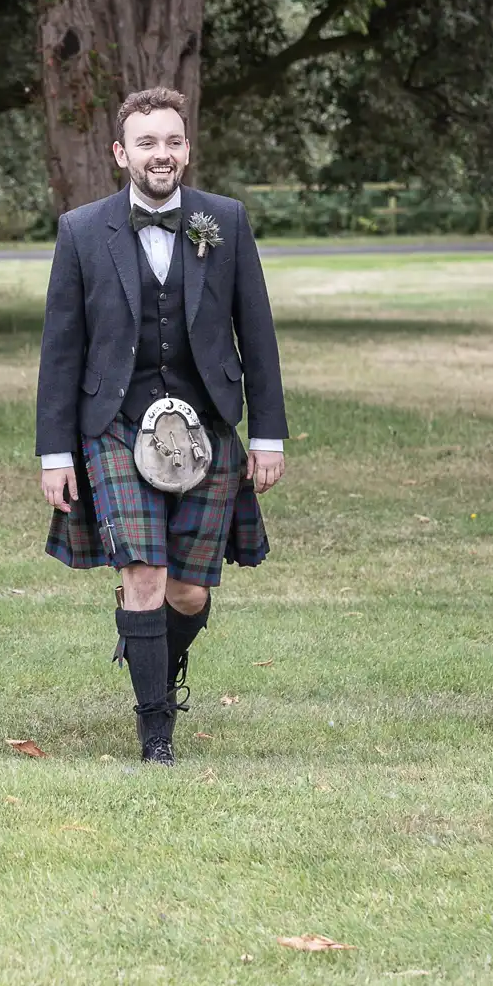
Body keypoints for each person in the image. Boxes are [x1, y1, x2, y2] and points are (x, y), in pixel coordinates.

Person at [36, 86, 288, 764]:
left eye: (172, 141)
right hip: (113, 424)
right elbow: (61, 349)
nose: (161, 153)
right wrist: (54, 452)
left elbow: (257, 334)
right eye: (146, 142)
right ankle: (156, 732)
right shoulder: (82, 231)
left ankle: (150, 651)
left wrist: (268, 435)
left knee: (189, 589)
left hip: (207, 425)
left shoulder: (226, 221)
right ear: (121, 152)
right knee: (144, 573)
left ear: (188, 148)